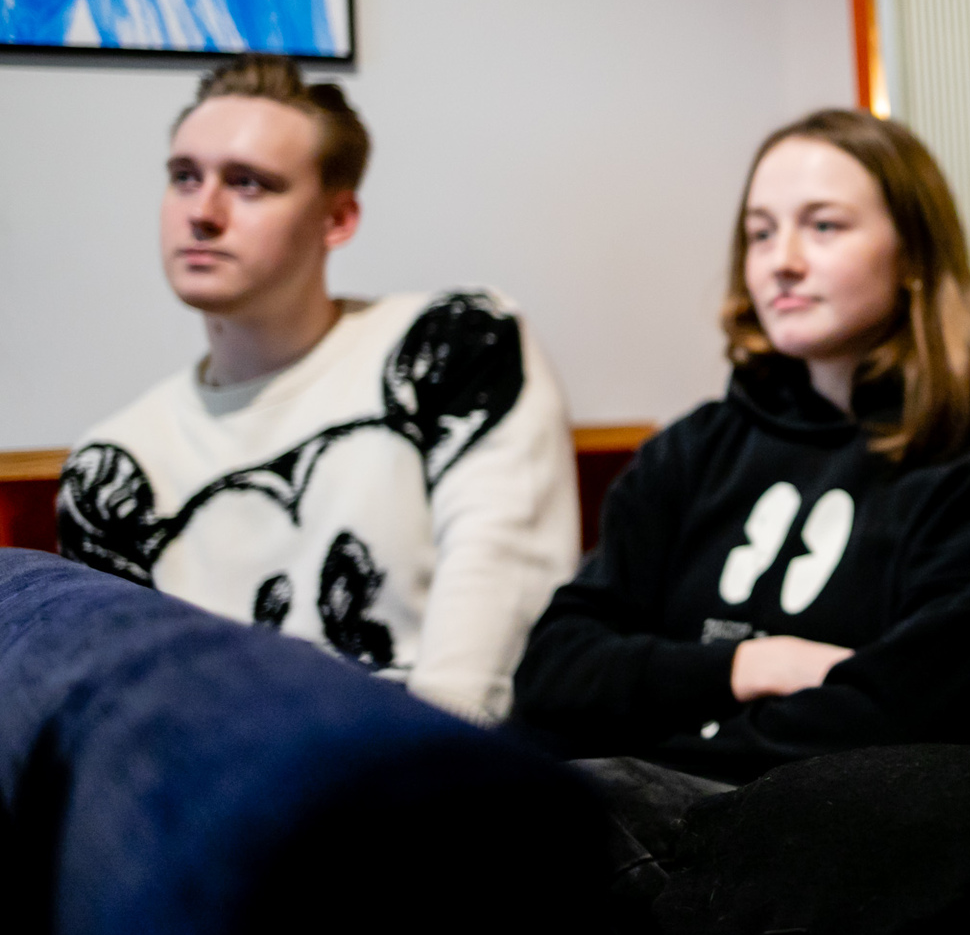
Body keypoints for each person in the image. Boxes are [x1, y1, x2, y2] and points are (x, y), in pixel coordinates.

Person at [512, 108, 970, 788]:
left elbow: (899, 728)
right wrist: (749, 666)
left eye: (824, 226)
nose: (781, 262)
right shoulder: (693, 449)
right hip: (612, 813)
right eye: (760, 233)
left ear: (913, 254)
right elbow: (552, 669)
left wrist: (639, 762)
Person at [57, 55, 579, 726]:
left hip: (451, 765)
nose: (202, 212)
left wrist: (427, 770)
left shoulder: (455, 344)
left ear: (337, 218)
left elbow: (497, 593)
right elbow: (130, 710)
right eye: (184, 177)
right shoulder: (114, 464)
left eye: (248, 184)